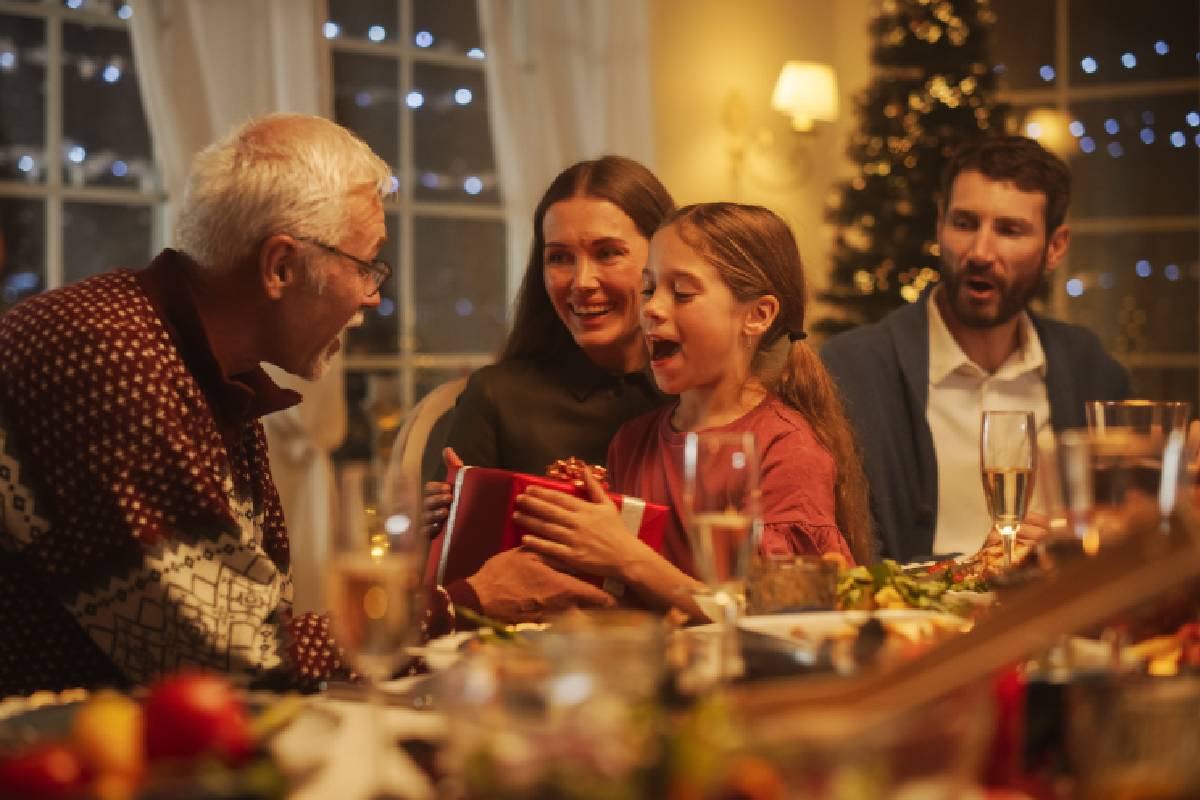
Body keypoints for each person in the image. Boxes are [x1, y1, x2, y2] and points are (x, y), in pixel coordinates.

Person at [0, 114, 391, 694]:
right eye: (364, 266)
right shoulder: (112, 360)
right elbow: (231, 658)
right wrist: (446, 604)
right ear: (281, 266)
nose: (373, 296)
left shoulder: (204, 365)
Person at [512, 203, 874, 616]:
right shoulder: (631, 442)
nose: (651, 308)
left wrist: (627, 556)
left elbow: (787, 614)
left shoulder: (787, 448)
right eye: (649, 289)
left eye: (681, 293)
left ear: (757, 315)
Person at [821, 135, 1131, 563]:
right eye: (964, 224)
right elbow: (836, 550)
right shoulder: (853, 370)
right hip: (916, 623)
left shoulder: (1089, 370)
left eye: (1009, 230)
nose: (981, 252)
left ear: (1055, 247)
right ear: (939, 227)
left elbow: (1129, 533)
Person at [420, 157, 676, 623]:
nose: (581, 282)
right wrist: (432, 532)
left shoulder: (696, 394)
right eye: (559, 257)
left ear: (661, 259)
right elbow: (442, 587)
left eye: (607, 253)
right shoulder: (498, 396)